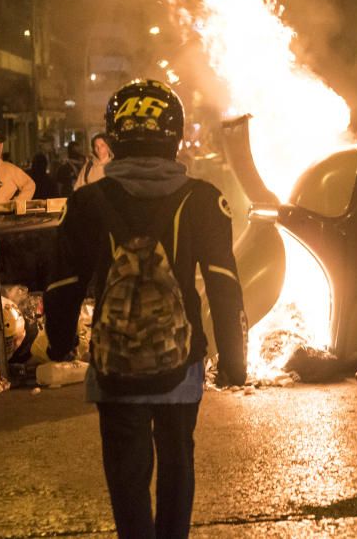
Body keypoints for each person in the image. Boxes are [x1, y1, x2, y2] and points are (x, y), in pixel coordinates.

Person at [45, 79, 247, 538]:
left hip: (114, 360)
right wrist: (234, 360)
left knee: (127, 470)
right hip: (182, 359)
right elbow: (224, 285)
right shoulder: (203, 199)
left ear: (113, 137)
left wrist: (59, 345)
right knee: (177, 460)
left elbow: (62, 284)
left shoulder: (86, 202)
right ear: (174, 136)